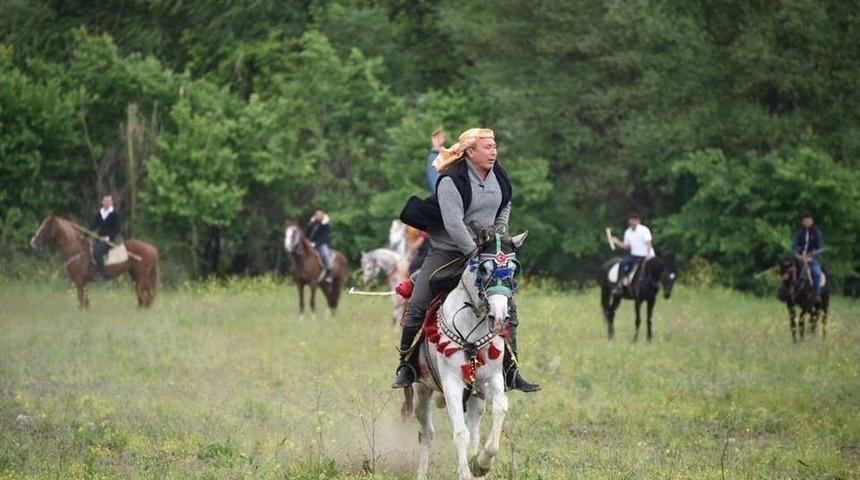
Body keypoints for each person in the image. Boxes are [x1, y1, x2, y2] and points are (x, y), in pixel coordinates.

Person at [396, 127, 539, 393]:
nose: (493, 151)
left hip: (485, 249)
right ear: (470, 152)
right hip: (448, 250)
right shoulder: (451, 180)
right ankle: (406, 364)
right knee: (417, 302)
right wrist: (473, 251)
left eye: (494, 145)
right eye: (487, 146)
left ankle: (511, 370)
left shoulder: (500, 176)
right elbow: (453, 223)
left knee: (508, 306)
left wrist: (499, 235)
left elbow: (505, 204)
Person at [610, 212, 653, 295]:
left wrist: (649, 255)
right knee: (622, 264)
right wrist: (616, 241)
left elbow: (649, 244)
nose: (633, 222)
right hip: (634, 255)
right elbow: (626, 246)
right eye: (631, 220)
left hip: (644, 255)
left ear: (638, 221)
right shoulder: (628, 232)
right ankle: (619, 284)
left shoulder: (644, 230)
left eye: (635, 220)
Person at [794, 212, 824, 302]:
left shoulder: (817, 233)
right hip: (800, 259)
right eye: (805, 220)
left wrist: (811, 257)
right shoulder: (799, 233)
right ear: (802, 222)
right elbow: (795, 246)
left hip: (812, 259)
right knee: (789, 271)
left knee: (816, 273)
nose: (806, 222)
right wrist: (798, 255)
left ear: (812, 221)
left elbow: (819, 248)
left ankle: (816, 294)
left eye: (808, 220)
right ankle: (789, 292)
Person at [89, 194, 121, 272]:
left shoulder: (115, 214)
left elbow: (117, 229)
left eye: (109, 201)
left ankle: (102, 273)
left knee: (97, 252)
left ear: (111, 203)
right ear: (102, 202)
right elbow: (93, 225)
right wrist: (84, 234)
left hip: (109, 241)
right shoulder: (100, 213)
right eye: (105, 201)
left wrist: (107, 238)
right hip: (99, 240)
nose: (107, 203)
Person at [307, 210, 333, 282]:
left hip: (321, 244)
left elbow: (324, 237)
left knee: (325, 254)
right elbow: (307, 232)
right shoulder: (312, 223)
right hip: (310, 243)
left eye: (319, 216)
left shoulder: (327, 225)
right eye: (316, 216)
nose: (317, 217)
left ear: (322, 217)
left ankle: (329, 271)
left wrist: (316, 244)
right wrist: (309, 224)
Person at [426, 128, 446, 192]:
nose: (440, 140)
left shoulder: (445, 155)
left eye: (441, 137)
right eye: (437, 138)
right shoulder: (433, 157)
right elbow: (433, 180)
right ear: (433, 139)